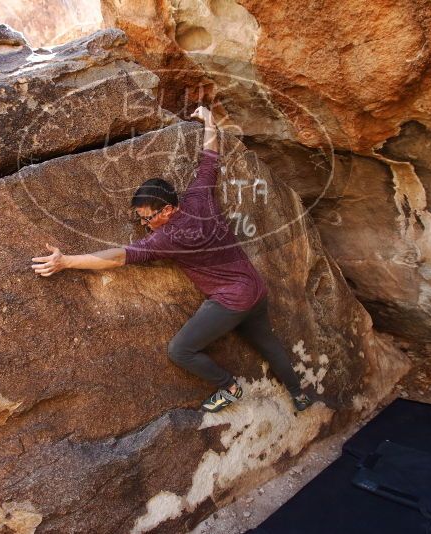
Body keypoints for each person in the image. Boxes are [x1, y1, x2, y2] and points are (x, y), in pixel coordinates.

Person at [31, 105, 312, 413]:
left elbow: (115, 258)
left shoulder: (169, 238)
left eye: (147, 218)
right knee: (268, 342)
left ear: (166, 210)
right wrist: (209, 120)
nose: (144, 224)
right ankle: (299, 394)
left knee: (180, 350)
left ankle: (228, 386)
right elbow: (210, 159)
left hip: (230, 301)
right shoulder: (198, 196)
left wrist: (66, 261)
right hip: (255, 289)